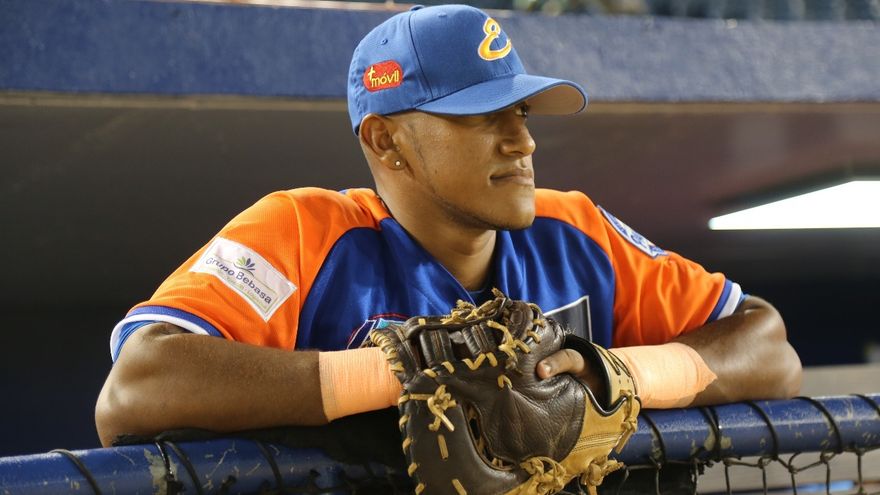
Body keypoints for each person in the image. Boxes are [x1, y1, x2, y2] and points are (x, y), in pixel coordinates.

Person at [95, 4, 801, 448]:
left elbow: (769, 347)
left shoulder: (574, 230)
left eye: (520, 111)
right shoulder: (302, 231)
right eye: (481, 115)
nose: (522, 141)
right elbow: (137, 388)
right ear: (386, 141)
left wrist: (618, 372)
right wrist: (409, 371)